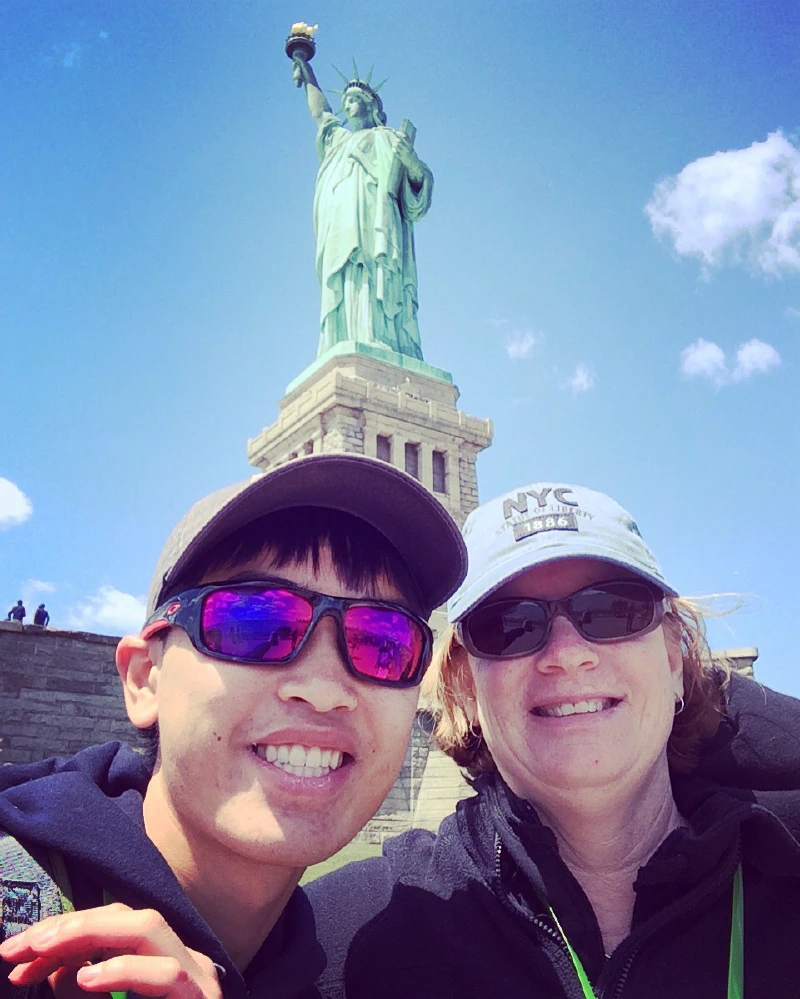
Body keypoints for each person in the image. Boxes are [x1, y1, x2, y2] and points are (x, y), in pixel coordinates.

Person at [308, 482, 800, 998]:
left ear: (674, 660)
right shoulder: (353, 942)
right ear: (465, 687)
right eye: (508, 625)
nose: (567, 653)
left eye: (612, 609)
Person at [0, 454, 466, 999]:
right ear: (146, 678)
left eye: (384, 642)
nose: (323, 687)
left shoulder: (339, 971)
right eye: (254, 624)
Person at [291, 52, 433, 360]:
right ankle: (346, 338)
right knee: (347, 279)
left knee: (373, 275)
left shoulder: (388, 139)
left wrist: (411, 162)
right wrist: (308, 74)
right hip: (340, 230)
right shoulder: (339, 142)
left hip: (376, 226)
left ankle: (379, 338)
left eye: (353, 99)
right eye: (345, 102)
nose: (347, 106)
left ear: (372, 105)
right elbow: (322, 116)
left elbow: (417, 196)